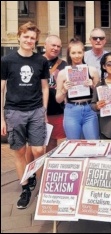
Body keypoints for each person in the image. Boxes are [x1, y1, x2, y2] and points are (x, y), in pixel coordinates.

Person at [1, 21, 49, 209]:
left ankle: (41, 184)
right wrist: (1, 117)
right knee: (19, 151)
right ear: (19, 37)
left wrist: (44, 110)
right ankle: (25, 187)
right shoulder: (7, 61)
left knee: (38, 150)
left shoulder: (41, 61)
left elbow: (45, 87)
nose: (29, 40)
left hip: (36, 110)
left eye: (32, 38)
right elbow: (2, 89)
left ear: (36, 40)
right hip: (14, 111)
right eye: (26, 37)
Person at [25, 35, 68, 181]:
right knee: (32, 144)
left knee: (51, 142)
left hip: (55, 109)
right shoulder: (35, 61)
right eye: (53, 45)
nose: (56, 48)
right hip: (35, 109)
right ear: (45, 45)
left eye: (58, 46)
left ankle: (47, 173)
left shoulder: (63, 65)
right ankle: (29, 173)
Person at [55, 38, 100, 140]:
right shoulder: (63, 73)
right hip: (71, 110)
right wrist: (64, 90)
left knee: (93, 142)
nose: (77, 55)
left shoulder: (92, 71)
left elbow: (99, 96)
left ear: (84, 53)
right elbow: (58, 99)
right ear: (69, 54)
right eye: (73, 53)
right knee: (73, 143)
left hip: (89, 110)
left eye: (79, 52)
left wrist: (92, 86)